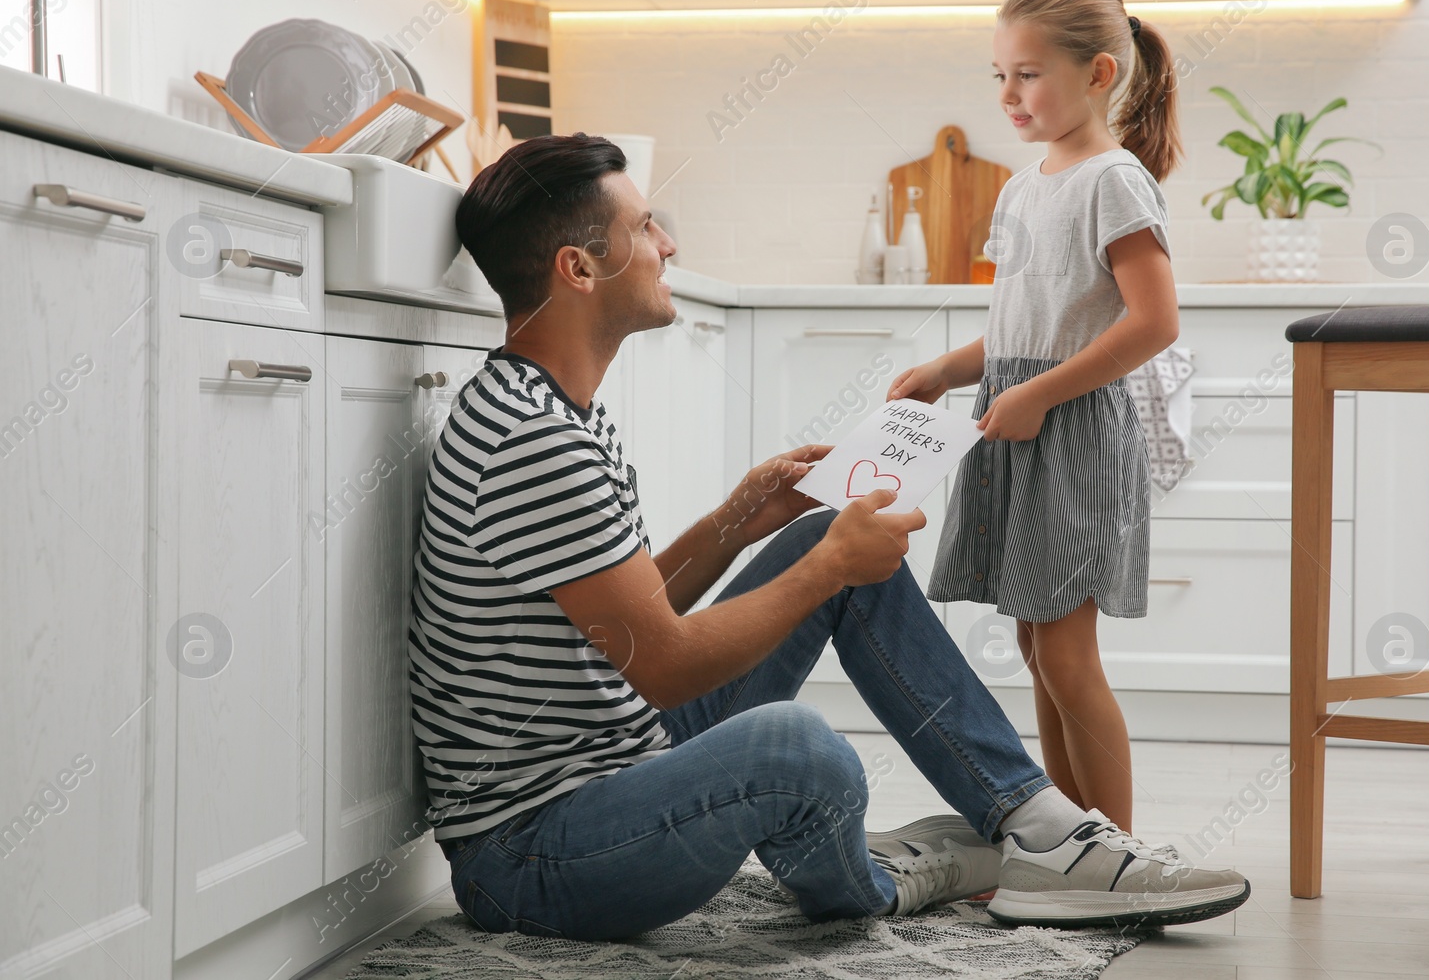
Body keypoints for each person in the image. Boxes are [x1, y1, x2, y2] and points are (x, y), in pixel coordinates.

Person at [407, 129, 1246, 941]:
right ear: (579, 268)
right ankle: (885, 882)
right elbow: (662, 665)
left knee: (824, 555)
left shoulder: (550, 405)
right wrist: (827, 567)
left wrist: (741, 521)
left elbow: (623, 623)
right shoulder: (535, 439)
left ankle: (1045, 829)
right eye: (643, 226)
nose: (668, 241)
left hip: (614, 759)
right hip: (533, 852)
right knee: (800, 745)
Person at [890, 0, 1181, 839]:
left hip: (1073, 433)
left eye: (1027, 75)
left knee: (1064, 652)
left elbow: (1155, 322)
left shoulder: (1114, 181)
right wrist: (947, 369)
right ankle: (1072, 843)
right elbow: (1023, 324)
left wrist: (1037, 396)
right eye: (999, 77)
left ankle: (1119, 859)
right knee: (1035, 650)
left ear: (1097, 74)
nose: (1009, 96)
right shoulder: (1024, 188)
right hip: (1016, 420)